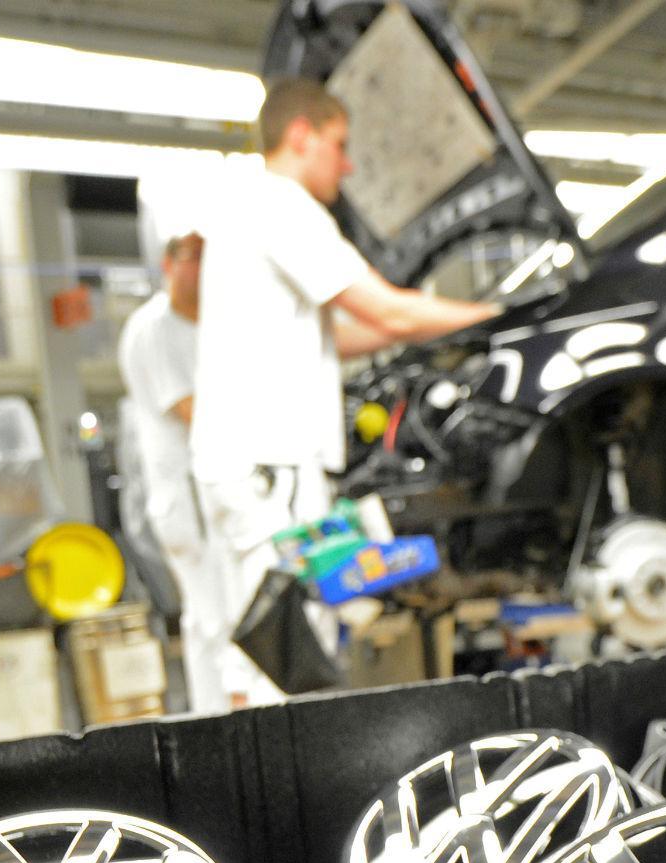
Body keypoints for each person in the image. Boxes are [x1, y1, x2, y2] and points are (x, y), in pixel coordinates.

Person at [190, 77, 498, 707]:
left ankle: (265, 789)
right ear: (301, 136)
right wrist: (496, 317)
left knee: (262, 646)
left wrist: (416, 330)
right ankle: (273, 798)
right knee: (280, 654)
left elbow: (345, 335)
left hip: (254, 465)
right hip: (268, 468)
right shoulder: (281, 206)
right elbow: (387, 311)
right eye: (339, 143)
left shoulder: (246, 211)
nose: (348, 163)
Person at [116, 231, 229, 713]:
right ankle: (225, 721)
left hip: (209, 495)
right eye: (193, 257)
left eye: (211, 258)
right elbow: (193, 411)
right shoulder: (154, 328)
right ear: (169, 263)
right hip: (188, 499)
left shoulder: (209, 327)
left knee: (221, 616)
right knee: (214, 619)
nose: (203, 269)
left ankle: (231, 715)